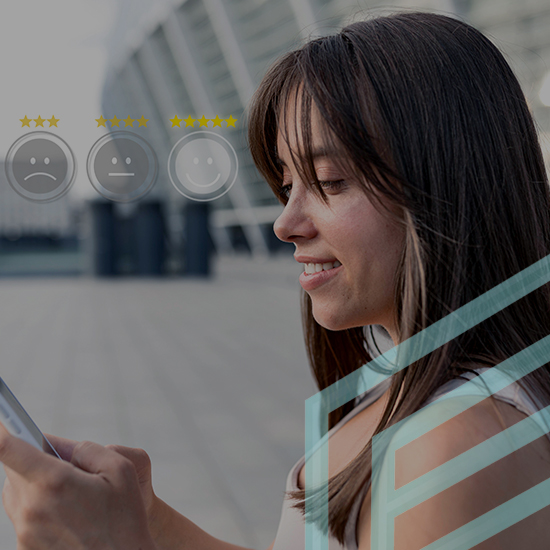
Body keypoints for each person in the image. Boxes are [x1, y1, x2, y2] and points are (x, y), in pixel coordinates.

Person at [1, 10, 550, 549]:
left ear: (449, 187)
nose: (285, 223)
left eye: (329, 181)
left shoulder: (455, 448)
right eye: (286, 184)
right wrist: (148, 516)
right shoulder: (422, 380)